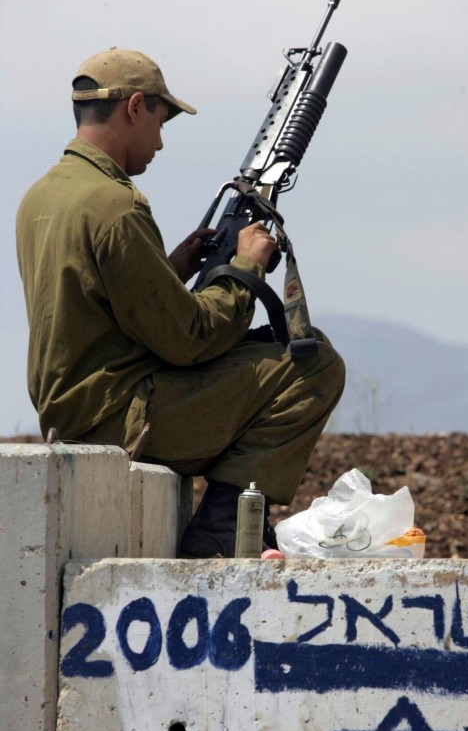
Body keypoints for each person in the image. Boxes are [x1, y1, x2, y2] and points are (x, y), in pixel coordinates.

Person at [16, 47, 345, 557]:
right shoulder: (118, 205)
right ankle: (221, 528)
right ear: (134, 108)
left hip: (75, 407)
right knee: (313, 364)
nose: (161, 142)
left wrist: (174, 269)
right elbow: (189, 341)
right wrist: (246, 266)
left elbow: (92, 305)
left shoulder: (43, 196)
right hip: (119, 414)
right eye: (160, 120)